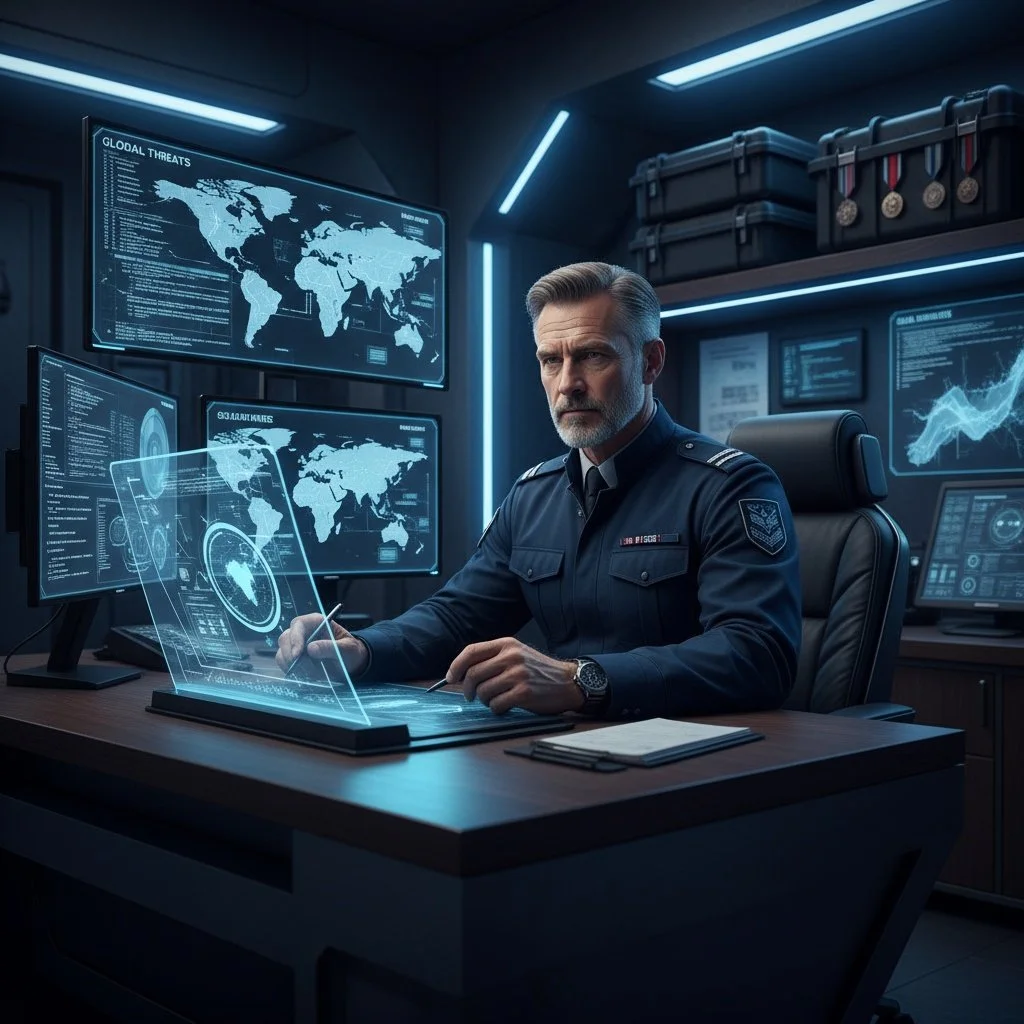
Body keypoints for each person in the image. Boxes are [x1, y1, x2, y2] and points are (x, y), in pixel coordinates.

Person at [277, 262, 801, 720]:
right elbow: (457, 617)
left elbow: (756, 654)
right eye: (551, 360)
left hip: (688, 764)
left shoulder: (729, 486)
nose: (568, 382)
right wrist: (361, 649)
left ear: (652, 362)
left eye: (593, 356)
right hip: (555, 750)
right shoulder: (534, 495)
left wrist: (582, 679)